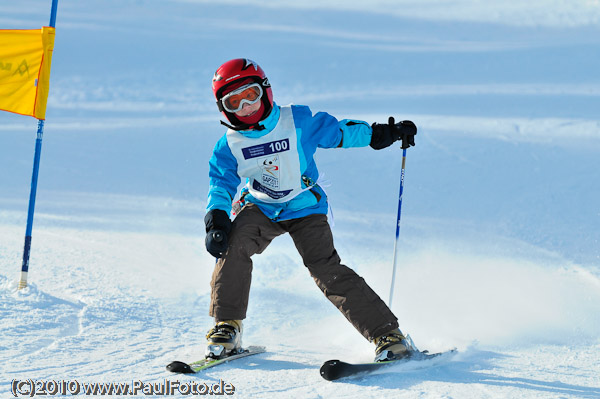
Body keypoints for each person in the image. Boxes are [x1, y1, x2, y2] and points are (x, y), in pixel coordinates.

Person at [203, 58, 417, 362]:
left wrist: (380, 134)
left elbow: (338, 132)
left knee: (324, 267)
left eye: (250, 95)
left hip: (304, 206)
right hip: (261, 207)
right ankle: (228, 327)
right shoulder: (229, 144)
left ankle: (387, 334)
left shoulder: (297, 121)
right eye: (234, 102)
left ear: (265, 92)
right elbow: (220, 183)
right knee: (233, 247)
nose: (246, 107)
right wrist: (217, 219)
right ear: (224, 109)